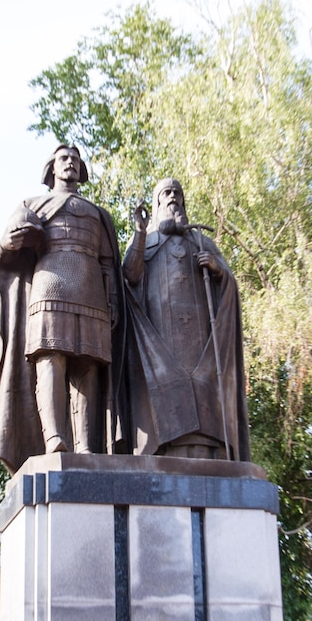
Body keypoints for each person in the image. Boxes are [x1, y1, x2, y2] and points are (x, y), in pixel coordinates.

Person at [0, 145, 125, 474]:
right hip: (49, 286)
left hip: (91, 292)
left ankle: (85, 444)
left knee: (88, 366)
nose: (70, 161)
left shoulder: (98, 214)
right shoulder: (31, 205)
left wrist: (113, 297)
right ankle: (54, 437)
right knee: (51, 360)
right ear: (51, 168)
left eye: (75, 158)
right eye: (63, 157)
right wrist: (9, 242)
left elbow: (107, 263)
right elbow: (2, 255)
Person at [123, 177, 250, 460]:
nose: (172, 198)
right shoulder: (147, 241)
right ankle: (164, 450)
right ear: (157, 203)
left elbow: (229, 285)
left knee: (203, 390)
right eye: (166, 193)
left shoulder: (201, 241)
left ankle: (210, 451)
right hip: (159, 340)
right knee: (167, 391)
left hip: (201, 340)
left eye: (177, 193)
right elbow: (130, 276)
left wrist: (218, 269)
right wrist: (140, 232)